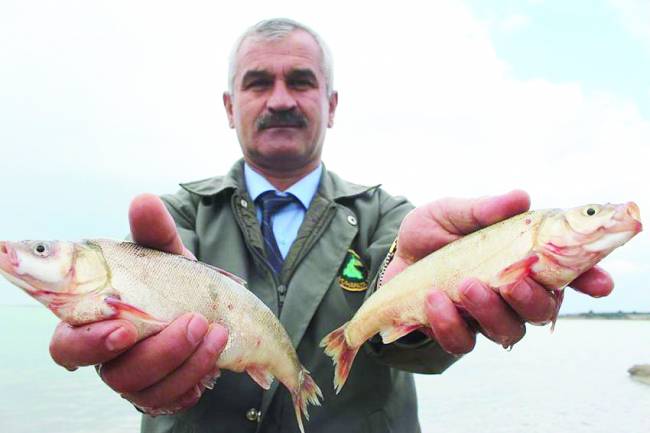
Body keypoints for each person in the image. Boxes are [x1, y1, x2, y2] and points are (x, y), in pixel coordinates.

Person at [48, 18, 614, 433]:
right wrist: (125, 353)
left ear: (332, 103)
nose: (280, 100)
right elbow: (128, 320)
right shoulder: (176, 220)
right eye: (257, 83)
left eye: (300, 81)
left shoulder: (390, 217)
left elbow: (414, 319)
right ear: (228, 106)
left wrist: (417, 312)